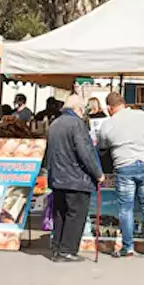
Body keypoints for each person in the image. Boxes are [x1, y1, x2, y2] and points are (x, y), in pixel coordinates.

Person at [98, 92, 144, 258]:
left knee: (126, 208)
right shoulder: (141, 115)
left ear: (110, 108)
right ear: (124, 103)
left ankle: (128, 247)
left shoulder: (107, 124)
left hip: (124, 166)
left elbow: (102, 147)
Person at [46, 94, 104, 263]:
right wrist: (98, 173)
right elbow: (85, 152)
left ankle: (57, 248)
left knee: (60, 214)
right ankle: (67, 250)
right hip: (75, 178)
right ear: (78, 109)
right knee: (76, 215)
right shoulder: (77, 124)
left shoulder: (55, 123)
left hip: (58, 177)